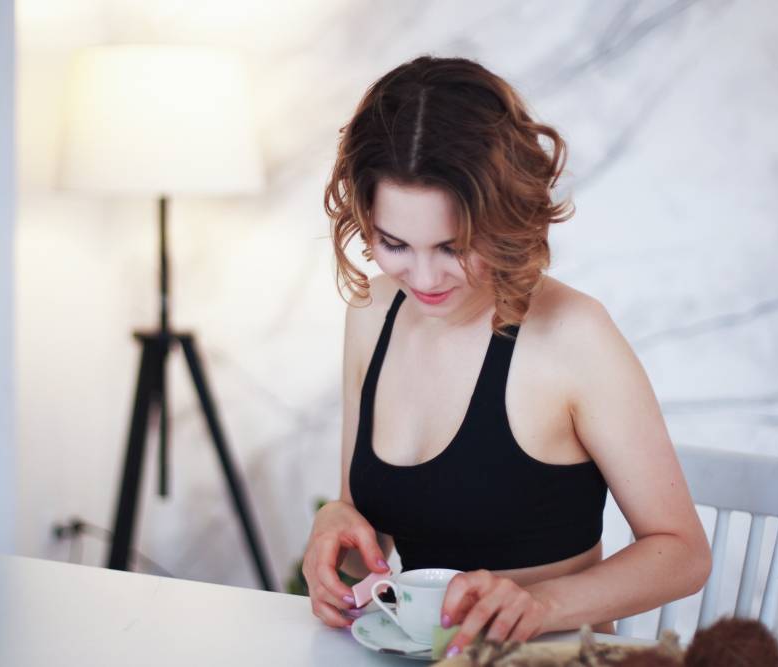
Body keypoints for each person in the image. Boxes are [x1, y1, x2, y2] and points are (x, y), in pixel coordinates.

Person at [302, 55, 711, 658]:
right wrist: (335, 523)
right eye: (394, 243)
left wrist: (542, 604)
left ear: (503, 217)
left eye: (454, 247)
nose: (424, 278)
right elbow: (370, 536)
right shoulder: (373, 310)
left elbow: (684, 553)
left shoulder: (573, 335)